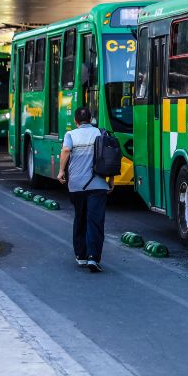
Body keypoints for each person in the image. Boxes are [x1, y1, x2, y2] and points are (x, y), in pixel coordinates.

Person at [57, 107, 113, 273]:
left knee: (80, 218)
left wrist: (61, 171)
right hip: (98, 185)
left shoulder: (71, 135)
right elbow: (110, 159)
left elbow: (66, 150)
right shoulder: (100, 134)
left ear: (76, 121)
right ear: (91, 120)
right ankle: (93, 257)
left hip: (76, 186)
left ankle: (81, 255)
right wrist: (111, 181)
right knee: (95, 222)